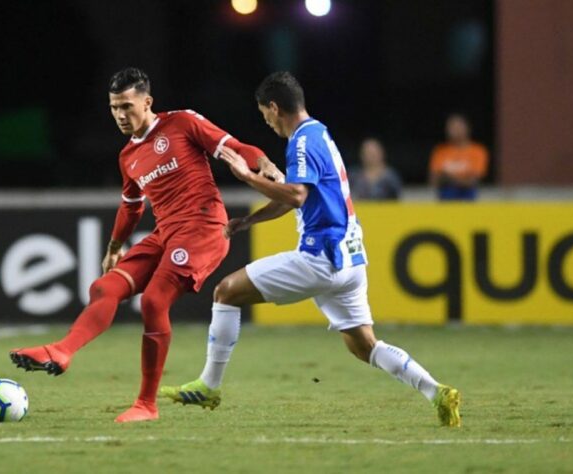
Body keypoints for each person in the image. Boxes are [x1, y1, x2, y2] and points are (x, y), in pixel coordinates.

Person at [160, 72, 462, 427]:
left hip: (321, 257)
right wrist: (251, 221)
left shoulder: (301, 142)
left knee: (225, 292)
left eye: (264, 115)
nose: (267, 122)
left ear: (274, 107)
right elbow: (297, 198)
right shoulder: (319, 133)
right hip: (349, 260)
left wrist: (247, 176)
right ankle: (437, 391)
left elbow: (297, 194)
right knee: (365, 346)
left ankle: (209, 386)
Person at [9, 67, 284, 423]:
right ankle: (61, 351)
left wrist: (262, 163)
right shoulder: (128, 156)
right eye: (114, 108)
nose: (121, 115)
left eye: (127, 105)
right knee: (104, 287)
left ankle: (146, 405)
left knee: (154, 300)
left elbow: (235, 147)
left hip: (204, 227)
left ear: (147, 101)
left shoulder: (182, 123)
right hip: (166, 233)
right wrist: (113, 248)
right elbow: (131, 206)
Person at [429, 114, 488, 201]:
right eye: (451, 127)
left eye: (458, 127)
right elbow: (433, 180)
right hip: (445, 196)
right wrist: (462, 178)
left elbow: (473, 181)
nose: (454, 130)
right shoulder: (440, 151)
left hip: (468, 197)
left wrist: (448, 177)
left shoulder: (477, 151)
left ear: (467, 128)